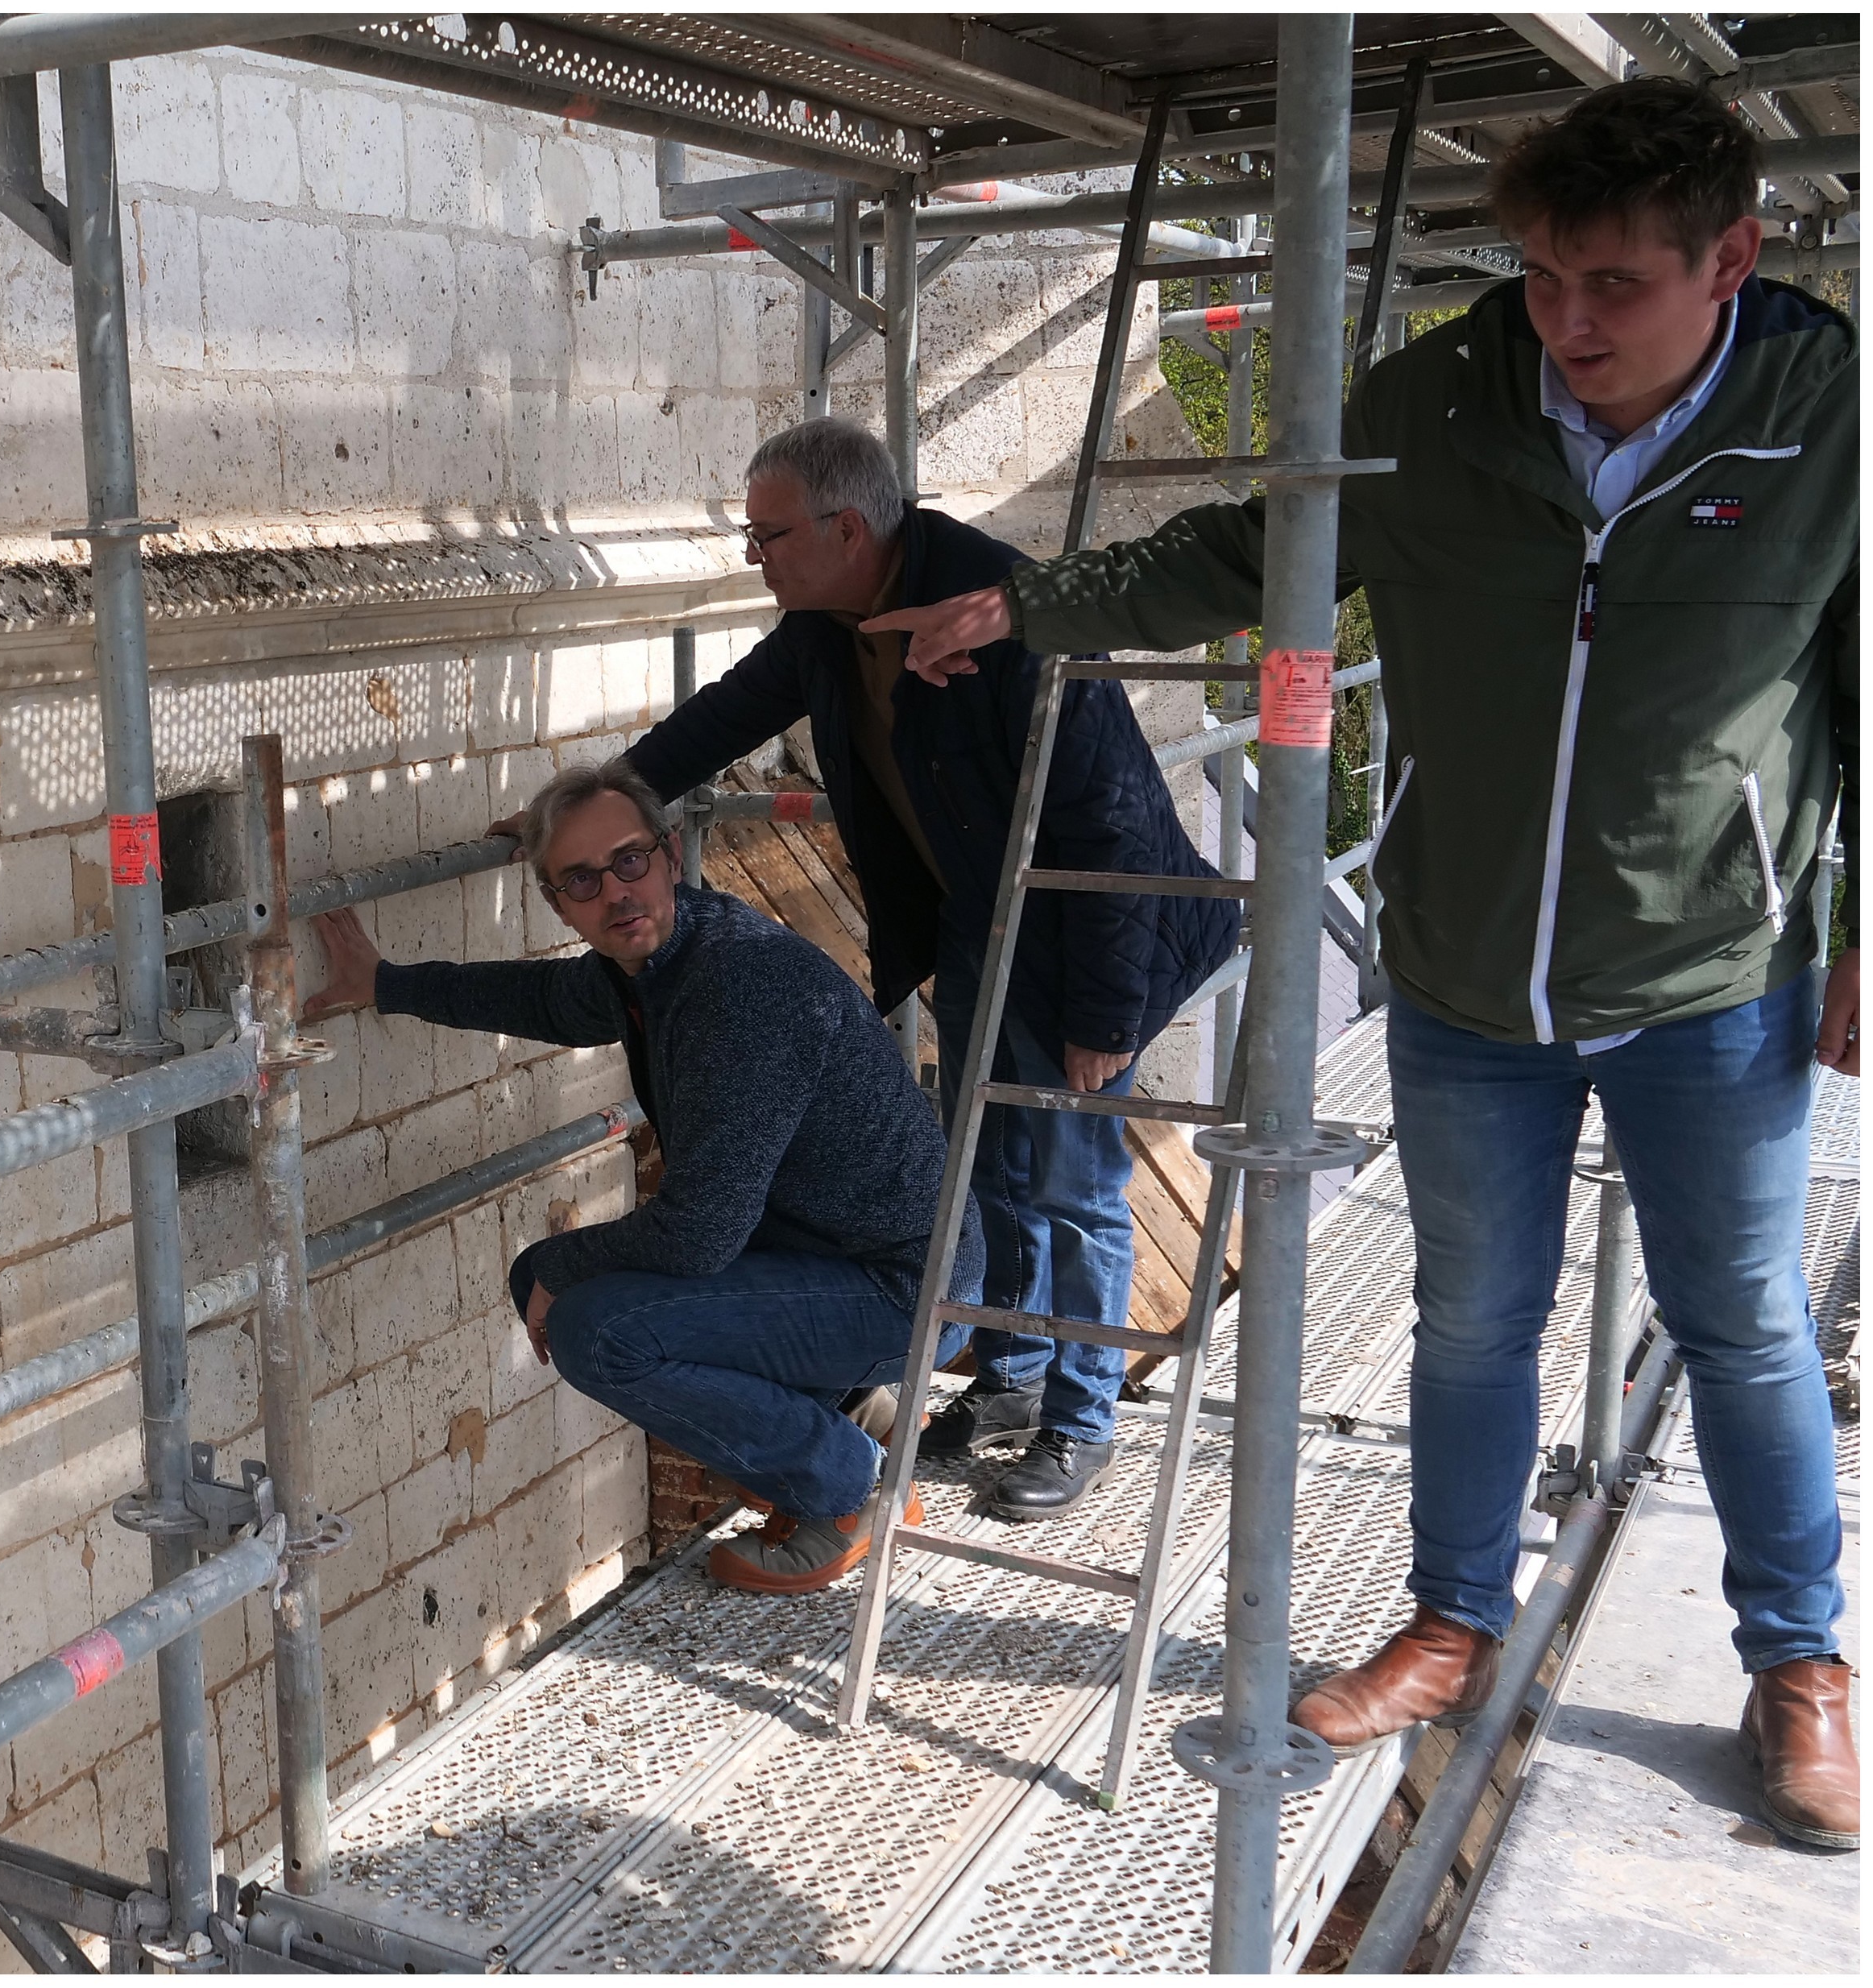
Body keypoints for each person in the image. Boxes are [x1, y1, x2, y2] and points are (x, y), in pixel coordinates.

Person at [871, 80, 1858, 1849]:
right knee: (1472, 1322)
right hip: (1471, 976)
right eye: (1545, 274)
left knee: (1747, 1328)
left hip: (1712, 971)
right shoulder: (1444, 397)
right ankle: (1453, 1621)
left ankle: (1799, 1667)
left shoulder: (1827, 418)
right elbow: (1250, 552)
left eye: (1617, 284)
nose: (1569, 321)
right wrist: (1027, 606)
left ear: (1733, 255)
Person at [573, 416, 1240, 1526]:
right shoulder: (830, 622)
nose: (759, 558)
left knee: (1073, 1180)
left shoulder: (1002, 607)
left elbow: (1115, 820)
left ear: (845, 527)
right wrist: (592, 808)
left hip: (1082, 937)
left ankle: (1082, 1419)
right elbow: (722, 719)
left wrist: (1108, 1016)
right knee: (987, 1164)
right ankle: (1010, 1383)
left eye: (769, 535)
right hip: (981, 927)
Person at [307, 761, 979, 1593]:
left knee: (600, 1328)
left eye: (628, 860)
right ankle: (854, 1414)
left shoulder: (739, 989)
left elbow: (699, 1234)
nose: (615, 893)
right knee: (595, 1283)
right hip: (854, 1257)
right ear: (556, 903)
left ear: (666, 856)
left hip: (908, 1289)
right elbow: (548, 998)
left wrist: (551, 1265)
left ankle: (848, 1487)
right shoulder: (664, 961)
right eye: (581, 880)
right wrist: (387, 984)